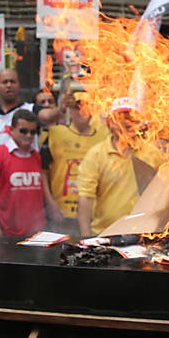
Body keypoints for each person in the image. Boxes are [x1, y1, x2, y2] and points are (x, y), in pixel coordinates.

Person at [77, 100, 164, 236]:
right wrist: (86, 237)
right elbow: (86, 198)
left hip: (142, 235)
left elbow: (163, 196)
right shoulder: (96, 154)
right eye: (120, 118)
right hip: (104, 234)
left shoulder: (153, 154)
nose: (126, 123)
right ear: (110, 122)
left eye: (132, 118)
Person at [0, 109, 62, 236]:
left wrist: (51, 202)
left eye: (32, 132)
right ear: (11, 130)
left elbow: (41, 182)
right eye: (23, 131)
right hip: (7, 231)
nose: (29, 135)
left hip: (36, 230)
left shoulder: (36, 156)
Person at [41, 93, 109, 234]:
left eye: (87, 106)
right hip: (63, 215)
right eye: (77, 107)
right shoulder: (56, 134)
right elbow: (43, 171)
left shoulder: (104, 135)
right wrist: (50, 203)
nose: (82, 111)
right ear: (70, 110)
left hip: (95, 215)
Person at [0, 69, 38, 152]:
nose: (9, 85)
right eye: (5, 82)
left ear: (19, 85)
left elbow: (48, 115)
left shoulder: (32, 110)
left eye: (13, 81)